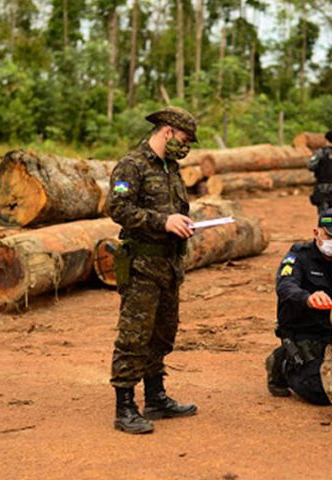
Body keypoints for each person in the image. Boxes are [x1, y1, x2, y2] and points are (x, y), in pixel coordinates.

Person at [107, 106, 199, 434]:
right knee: (134, 336)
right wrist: (163, 221)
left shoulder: (171, 169)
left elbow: (174, 211)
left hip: (169, 265)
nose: (186, 147)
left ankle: (156, 397)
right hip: (142, 265)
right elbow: (117, 207)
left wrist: (182, 222)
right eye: (184, 139)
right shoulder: (131, 166)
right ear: (167, 131)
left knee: (162, 333)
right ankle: (125, 406)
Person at [265, 208, 332, 405]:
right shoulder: (298, 257)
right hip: (305, 332)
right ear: (317, 233)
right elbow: (285, 286)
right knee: (321, 392)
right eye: (331, 235)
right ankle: (282, 362)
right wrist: (307, 298)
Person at [308, 130, 332, 214]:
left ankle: (324, 226)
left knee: (323, 213)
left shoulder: (321, 153)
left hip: (322, 186)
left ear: (326, 139)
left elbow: (311, 166)